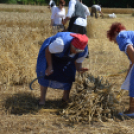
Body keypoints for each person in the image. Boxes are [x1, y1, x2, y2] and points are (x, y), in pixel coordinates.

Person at [36, 32, 89, 106]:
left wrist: (80, 69)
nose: (76, 52)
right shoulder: (61, 44)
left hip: (66, 58)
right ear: (72, 44)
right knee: (45, 73)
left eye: (79, 51)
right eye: (75, 49)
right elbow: (48, 51)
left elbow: (78, 64)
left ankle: (65, 98)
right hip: (51, 52)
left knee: (70, 74)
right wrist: (50, 66)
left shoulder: (84, 51)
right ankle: (42, 99)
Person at [107, 22, 134, 116]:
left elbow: (130, 50)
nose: (114, 42)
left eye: (112, 39)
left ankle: (132, 110)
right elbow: (132, 63)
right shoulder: (128, 35)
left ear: (114, 33)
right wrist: (128, 76)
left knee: (133, 84)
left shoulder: (120, 36)